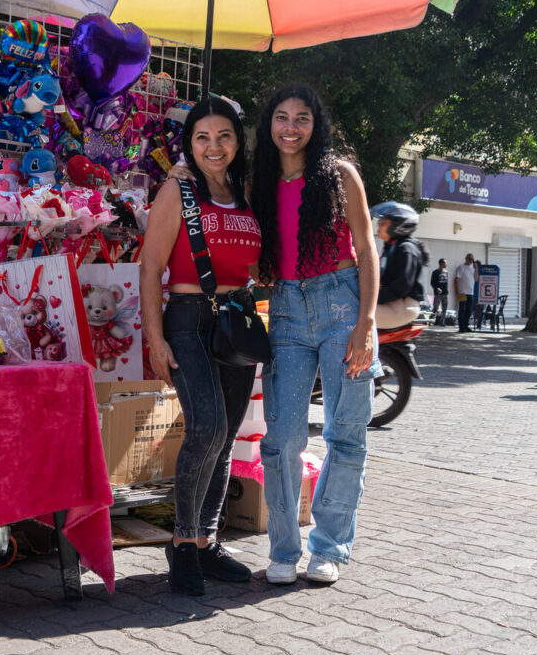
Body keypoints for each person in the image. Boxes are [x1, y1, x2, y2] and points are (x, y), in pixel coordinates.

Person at [248, 85, 381, 586]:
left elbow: (367, 251)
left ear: (316, 124)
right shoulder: (258, 180)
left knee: (346, 433)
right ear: (269, 126)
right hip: (285, 309)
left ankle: (328, 546)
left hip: (342, 304)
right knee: (282, 438)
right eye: (281, 117)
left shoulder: (340, 174)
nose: (290, 127)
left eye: (301, 118)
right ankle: (284, 549)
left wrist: (366, 325)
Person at [140, 97, 262, 596]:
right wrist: (154, 338)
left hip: (237, 321)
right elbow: (150, 268)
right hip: (188, 320)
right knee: (206, 425)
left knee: (227, 432)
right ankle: (183, 543)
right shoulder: (179, 189)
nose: (215, 146)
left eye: (224, 136)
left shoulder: (247, 192)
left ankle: (207, 541)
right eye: (203, 137)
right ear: (189, 143)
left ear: (238, 141)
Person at [370, 201, 429, 329]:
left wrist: (375, 297)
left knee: (351, 315)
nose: (378, 226)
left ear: (398, 226)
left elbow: (403, 284)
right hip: (392, 303)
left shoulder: (406, 249)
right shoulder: (391, 247)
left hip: (402, 307)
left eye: (383, 223)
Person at [452, 254, 476, 333]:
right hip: (462, 292)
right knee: (462, 310)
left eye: (472, 259)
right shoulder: (461, 267)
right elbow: (456, 280)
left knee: (469, 311)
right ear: (466, 259)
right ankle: (461, 327)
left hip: (470, 293)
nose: (471, 260)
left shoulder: (473, 268)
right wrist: (457, 292)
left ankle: (466, 326)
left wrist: (476, 269)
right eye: (469, 259)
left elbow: (476, 279)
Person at [429, 259, 449, 325]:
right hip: (438, 293)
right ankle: (431, 320)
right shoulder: (435, 272)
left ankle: (442, 321)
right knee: (435, 307)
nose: (446, 264)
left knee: (444, 307)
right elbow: (432, 282)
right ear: (441, 263)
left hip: (445, 293)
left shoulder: (446, 272)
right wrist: (437, 288)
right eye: (445, 263)